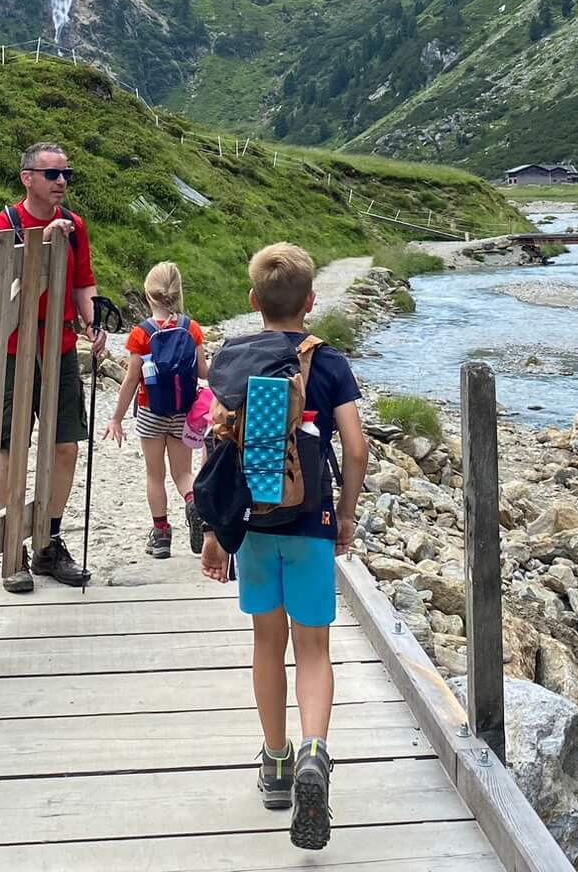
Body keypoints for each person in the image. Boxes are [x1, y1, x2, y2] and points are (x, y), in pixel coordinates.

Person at [200, 243, 368, 852]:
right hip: (311, 520)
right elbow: (354, 448)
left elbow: (216, 449)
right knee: (315, 646)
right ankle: (315, 754)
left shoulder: (233, 362)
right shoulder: (330, 364)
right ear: (312, 301)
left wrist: (215, 531)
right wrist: (345, 514)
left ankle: (275, 762)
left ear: (253, 301)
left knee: (267, 642)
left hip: (255, 526)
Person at [0, 141, 108, 593]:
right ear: (27, 178)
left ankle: (48, 540)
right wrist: (41, 245)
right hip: (15, 348)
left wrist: (94, 321)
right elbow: (1, 294)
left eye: (66, 175)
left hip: (60, 347)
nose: (61, 182)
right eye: (52, 174)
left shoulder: (76, 226)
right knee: (11, 450)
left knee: (65, 446)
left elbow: (83, 281)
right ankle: (11, 545)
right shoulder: (3, 226)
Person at [105, 261, 209, 558]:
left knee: (155, 475)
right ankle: (193, 503)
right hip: (183, 412)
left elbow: (131, 379)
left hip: (151, 411)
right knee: (182, 472)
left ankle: (161, 535)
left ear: (149, 295)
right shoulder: (192, 328)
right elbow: (202, 371)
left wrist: (116, 418)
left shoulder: (142, 333)